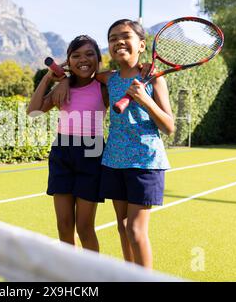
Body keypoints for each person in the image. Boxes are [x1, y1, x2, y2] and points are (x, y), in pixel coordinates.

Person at [51, 19, 175, 269]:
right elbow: (82, 73)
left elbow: (169, 127)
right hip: (114, 161)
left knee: (135, 229)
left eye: (125, 36)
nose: (118, 41)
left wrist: (145, 100)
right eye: (112, 38)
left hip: (145, 162)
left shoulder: (153, 80)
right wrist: (64, 79)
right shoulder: (108, 78)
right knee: (122, 227)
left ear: (141, 45)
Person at [26, 35, 108, 252]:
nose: (83, 59)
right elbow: (33, 111)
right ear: (68, 62)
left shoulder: (103, 86)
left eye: (90, 54)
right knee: (64, 226)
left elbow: (124, 77)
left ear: (99, 59)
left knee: (84, 227)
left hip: (92, 152)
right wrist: (50, 79)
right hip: (62, 152)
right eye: (76, 55)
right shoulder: (62, 87)